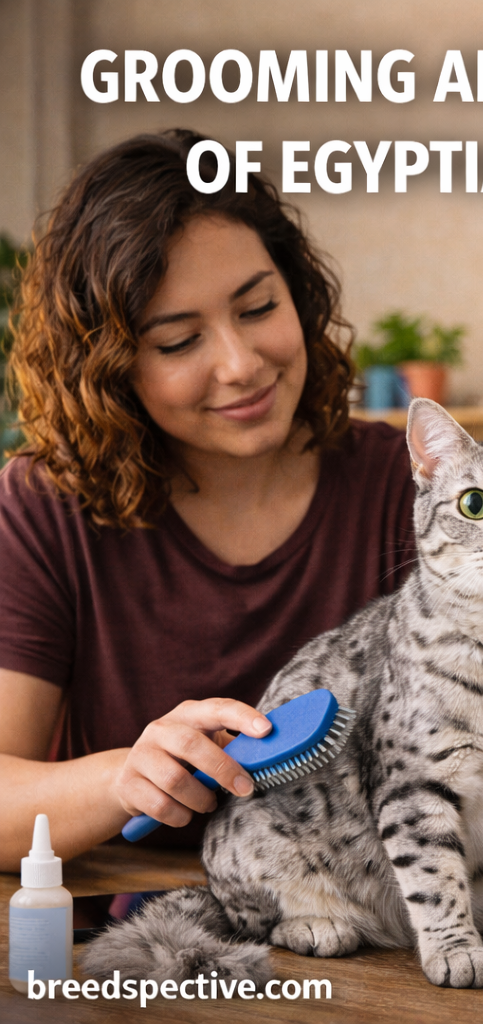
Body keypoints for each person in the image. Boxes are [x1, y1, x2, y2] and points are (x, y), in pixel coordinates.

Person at [0, 130, 417, 869]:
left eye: (257, 308)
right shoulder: (43, 508)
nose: (240, 365)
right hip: (131, 926)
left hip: (366, 916)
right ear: (110, 368)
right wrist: (123, 778)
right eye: (177, 341)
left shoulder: (407, 487)